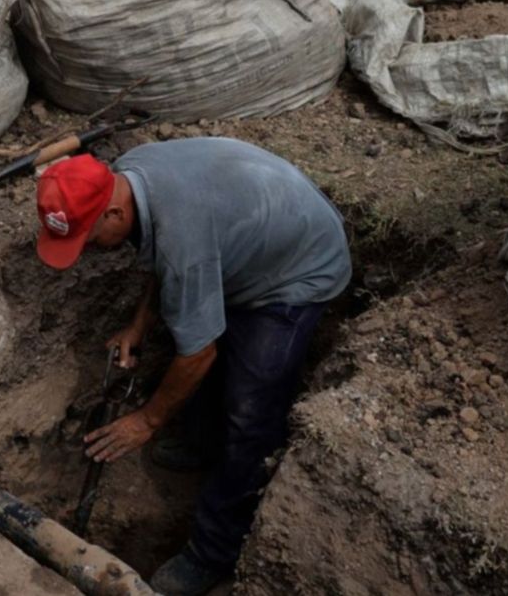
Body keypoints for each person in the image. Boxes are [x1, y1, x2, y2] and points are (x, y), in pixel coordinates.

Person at [34, 138, 351, 595]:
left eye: (88, 239)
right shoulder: (127, 176)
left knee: (251, 412)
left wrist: (146, 421)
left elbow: (198, 351)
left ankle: (214, 551)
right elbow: (164, 259)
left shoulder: (184, 240)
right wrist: (138, 326)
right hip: (248, 238)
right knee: (200, 340)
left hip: (298, 269)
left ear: (115, 214)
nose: (86, 250)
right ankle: (203, 445)